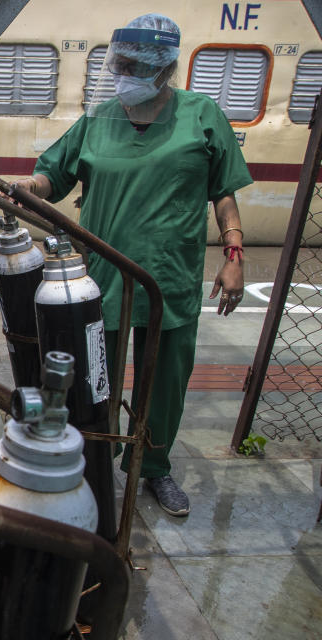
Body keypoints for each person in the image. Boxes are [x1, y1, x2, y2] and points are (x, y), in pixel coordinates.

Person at [14, 13, 251, 517]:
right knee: (94, 376)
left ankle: (153, 469)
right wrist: (29, 188)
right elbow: (51, 177)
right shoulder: (99, 119)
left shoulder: (201, 114)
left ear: (163, 70)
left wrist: (233, 253)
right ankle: (96, 460)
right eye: (118, 64)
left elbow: (223, 194)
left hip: (169, 279)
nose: (123, 74)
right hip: (103, 279)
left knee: (164, 380)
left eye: (133, 66)